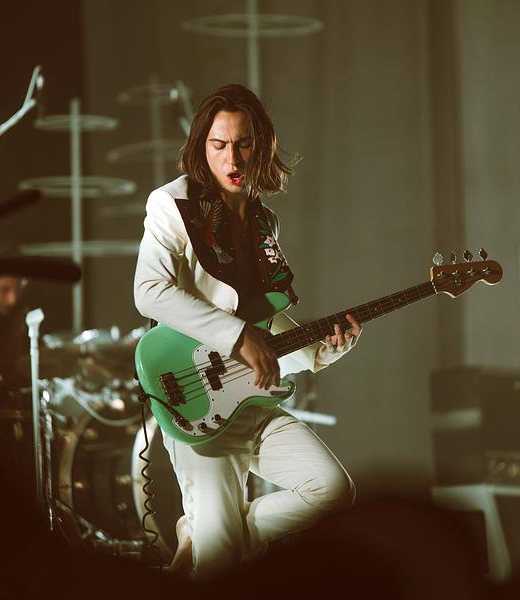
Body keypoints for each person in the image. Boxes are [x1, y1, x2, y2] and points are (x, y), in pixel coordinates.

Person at [133, 84, 362, 578]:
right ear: (201, 147)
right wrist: (237, 337)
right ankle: (211, 539)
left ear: (262, 146)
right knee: (219, 572)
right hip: (198, 401)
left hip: (251, 401)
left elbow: (264, 319)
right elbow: (149, 291)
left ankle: (207, 535)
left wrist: (323, 350)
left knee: (333, 490)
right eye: (219, 145)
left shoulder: (264, 222)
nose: (232, 158)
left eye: (243, 144)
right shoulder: (172, 205)